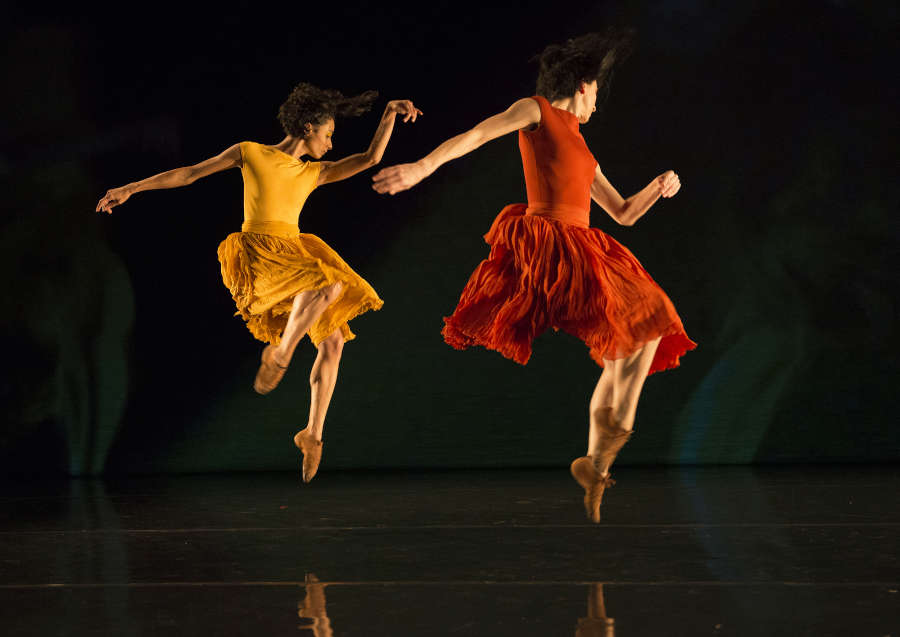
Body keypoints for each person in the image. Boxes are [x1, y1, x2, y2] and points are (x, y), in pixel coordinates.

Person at [372, 31, 695, 522]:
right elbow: (478, 134)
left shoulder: (585, 149)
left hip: (586, 243)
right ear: (585, 85)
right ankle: (610, 443)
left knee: (640, 335)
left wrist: (657, 187)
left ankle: (597, 463)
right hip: (552, 241)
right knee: (649, 317)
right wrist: (423, 166)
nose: (595, 106)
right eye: (596, 94)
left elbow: (624, 214)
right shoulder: (536, 109)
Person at [96, 83, 421, 482]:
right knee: (328, 287)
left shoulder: (314, 172)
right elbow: (191, 173)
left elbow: (371, 157)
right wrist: (132, 187)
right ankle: (280, 354)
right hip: (259, 251)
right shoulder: (251, 152)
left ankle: (312, 433)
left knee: (334, 340)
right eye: (328, 134)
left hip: (294, 250)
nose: (331, 144)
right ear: (306, 127)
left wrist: (388, 114)